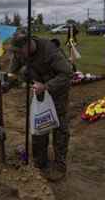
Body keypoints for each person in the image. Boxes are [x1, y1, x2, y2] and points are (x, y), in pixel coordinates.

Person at [8, 33, 73, 181]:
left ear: (28, 44)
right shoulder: (20, 52)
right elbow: (12, 71)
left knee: (60, 128)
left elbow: (67, 73)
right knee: (39, 124)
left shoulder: (49, 50)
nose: (18, 55)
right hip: (38, 89)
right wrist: (6, 82)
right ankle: (40, 160)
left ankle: (59, 165)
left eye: (19, 51)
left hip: (57, 90)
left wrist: (46, 86)